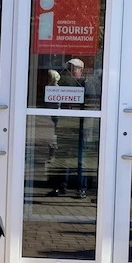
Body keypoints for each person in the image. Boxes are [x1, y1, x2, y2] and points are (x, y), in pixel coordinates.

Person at [47, 58, 87, 198]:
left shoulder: (85, 85)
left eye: (74, 68)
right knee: (62, 158)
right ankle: (61, 186)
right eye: (69, 68)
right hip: (64, 126)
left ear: (81, 70)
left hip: (79, 127)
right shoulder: (63, 84)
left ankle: (81, 188)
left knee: (80, 159)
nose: (71, 71)